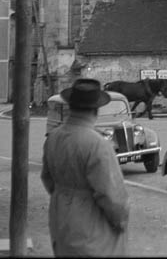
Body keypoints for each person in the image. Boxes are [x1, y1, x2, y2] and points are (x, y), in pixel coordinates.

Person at [41, 78, 130, 257]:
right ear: (95, 110)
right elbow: (112, 196)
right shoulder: (98, 145)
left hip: (61, 216)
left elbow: (47, 179)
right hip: (91, 225)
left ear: (71, 106)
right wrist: (121, 221)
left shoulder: (53, 138)